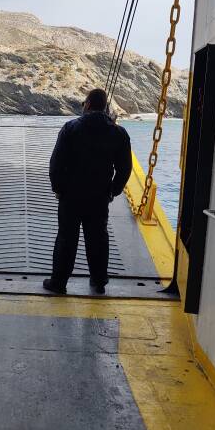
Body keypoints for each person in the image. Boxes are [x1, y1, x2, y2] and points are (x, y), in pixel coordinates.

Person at [43, 88, 132, 295]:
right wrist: (113, 191)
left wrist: (58, 188)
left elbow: (56, 164)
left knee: (67, 237)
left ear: (88, 104)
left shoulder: (70, 128)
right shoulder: (118, 133)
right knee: (98, 238)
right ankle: (98, 282)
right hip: (99, 196)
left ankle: (59, 282)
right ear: (105, 107)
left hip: (71, 196)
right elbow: (125, 168)